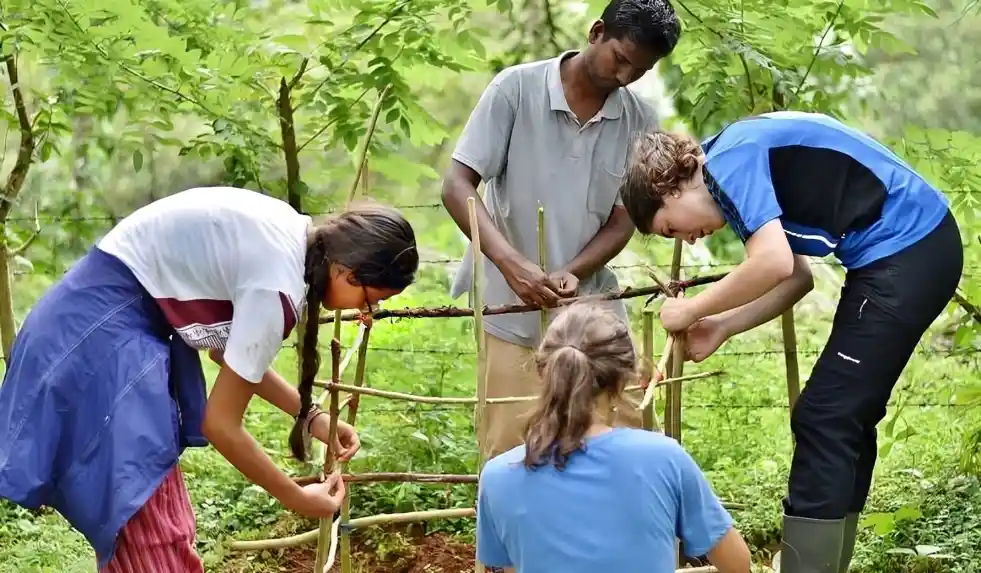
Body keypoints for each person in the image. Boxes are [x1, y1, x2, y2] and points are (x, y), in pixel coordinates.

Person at [0, 187, 419, 572]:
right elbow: (220, 424)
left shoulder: (291, 233)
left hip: (88, 325)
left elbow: (230, 353)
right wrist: (295, 496)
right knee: (153, 534)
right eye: (371, 301)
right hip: (96, 343)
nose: (366, 314)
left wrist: (310, 416)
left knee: (153, 528)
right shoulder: (278, 284)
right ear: (348, 272)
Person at [618, 111, 964, 573]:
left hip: (908, 249)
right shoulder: (729, 169)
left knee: (825, 418)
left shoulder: (731, 161)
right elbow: (797, 275)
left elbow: (773, 263)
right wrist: (722, 326)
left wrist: (693, 309)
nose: (690, 241)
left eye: (670, 229)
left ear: (670, 187)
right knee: (842, 420)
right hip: (909, 251)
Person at [441, 0, 682, 460]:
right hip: (506, 303)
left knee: (623, 433)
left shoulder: (640, 120)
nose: (625, 77)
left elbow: (622, 219)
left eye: (640, 70)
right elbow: (457, 185)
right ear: (596, 32)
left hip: (590, 303)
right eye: (621, 59)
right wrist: (513, 266)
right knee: (510, 445)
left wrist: (575, 270)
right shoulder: (516, 89)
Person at [475, 301, 751, 573]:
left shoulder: (498, 476)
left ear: (542, 373)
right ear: (624, 380)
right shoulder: (664, 459)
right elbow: (737, 564)